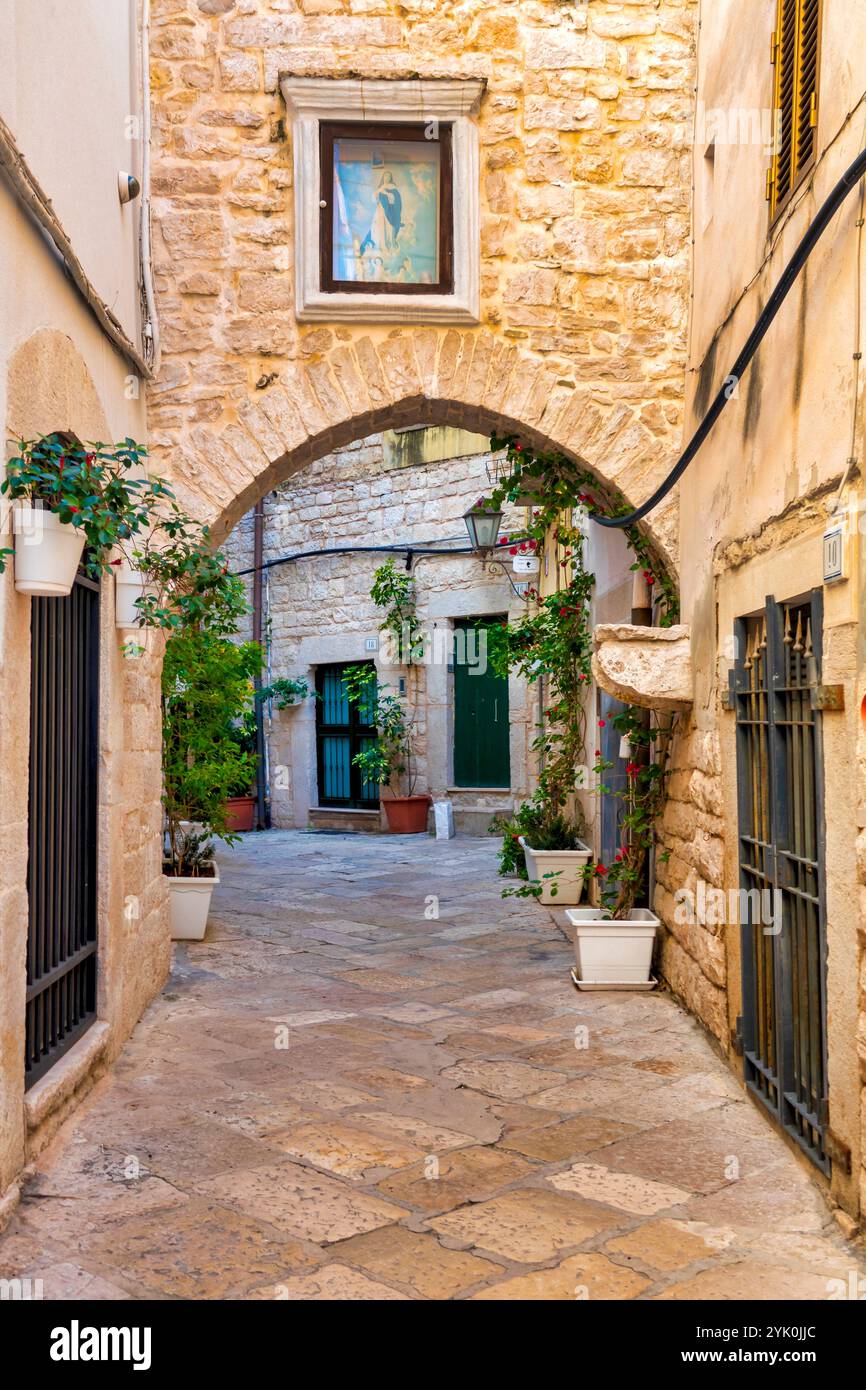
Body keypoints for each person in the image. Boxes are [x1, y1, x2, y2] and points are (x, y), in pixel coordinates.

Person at [359, 170, 403, 258]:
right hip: (379, 211)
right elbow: (373, 198)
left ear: (391, 178)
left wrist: (385, 193)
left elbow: (395, 200)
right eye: (385, 176)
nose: (387, 178)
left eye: (388, 176)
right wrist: (379, 192)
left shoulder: (393, 188)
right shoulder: (381, 187)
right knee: (378, 228)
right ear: (383, 178)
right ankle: (380, 247)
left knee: (388, 228)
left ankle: (388, 247)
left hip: (389, 212)